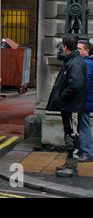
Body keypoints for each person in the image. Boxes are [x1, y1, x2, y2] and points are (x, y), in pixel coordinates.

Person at [47, 34, 86, 177]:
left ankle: (72, 167)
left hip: (72, 106)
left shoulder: (74, 62)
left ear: (65, 47)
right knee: (70, 134)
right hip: (70, 105)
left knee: (72, 136)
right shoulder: (72, 60)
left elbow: (75, 84)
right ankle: (69, 164)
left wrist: (62, 96)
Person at [76, 40, 93, 162]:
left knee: (84, 124)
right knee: (82, 123)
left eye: (79, 49)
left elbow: (85, 83)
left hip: (84, 99)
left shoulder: (86, 63)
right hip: (85, 99)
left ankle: (87, 151)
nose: (77, 51)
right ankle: (84, 149)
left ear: (86, 51)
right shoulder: (86, 62)